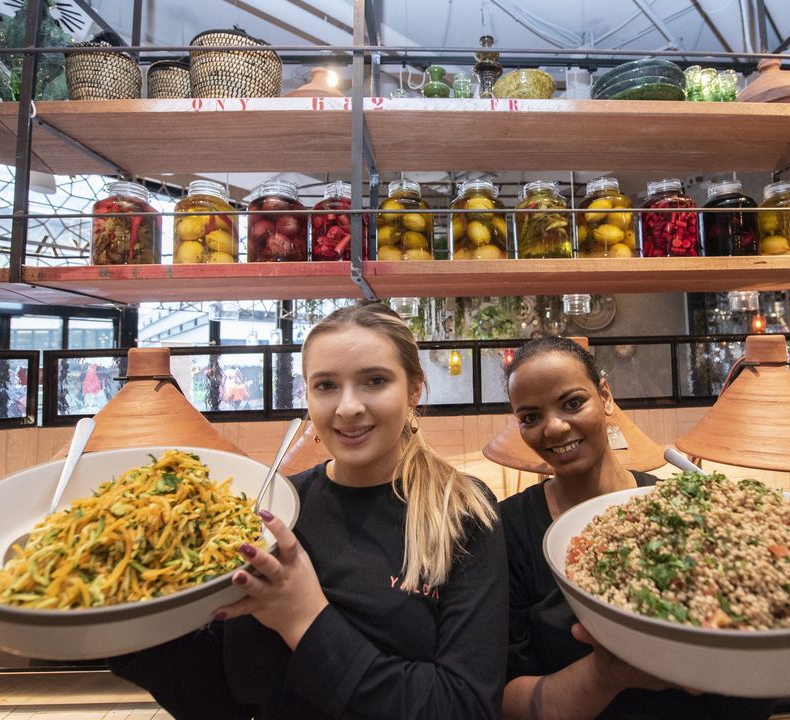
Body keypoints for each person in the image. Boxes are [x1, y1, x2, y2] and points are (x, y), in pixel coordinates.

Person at [112, 301, 507, 719]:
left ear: (413, 390)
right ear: (307, 395)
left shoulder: (462, 511)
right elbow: (230, 696)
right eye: (326, 385)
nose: (348, 407)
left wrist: (303, 620)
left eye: (375, 380)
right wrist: (127, 625)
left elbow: (463, 705)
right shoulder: (271, 509)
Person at [499, 337, 776, 720]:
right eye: (530, 417)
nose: (555, 428)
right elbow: (502, 698)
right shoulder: (506, 529)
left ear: (605, 397)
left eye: (573, 403)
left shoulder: (681, 506)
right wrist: (607, 675)